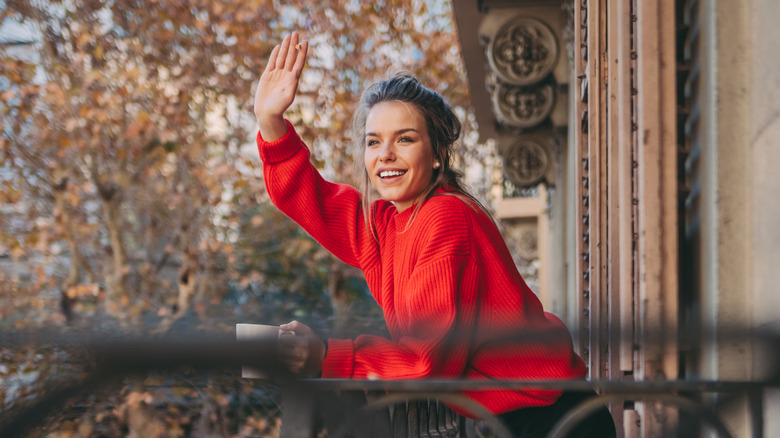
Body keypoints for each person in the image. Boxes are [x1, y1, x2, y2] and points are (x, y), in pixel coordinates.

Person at [253, 32, 616, 438]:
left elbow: (426, 362)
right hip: (509, 420)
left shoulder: (446, 218)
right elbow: (313, 201)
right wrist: (271, 121)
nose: (385, 154)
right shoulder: (388, 225)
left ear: (437, 153)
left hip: (552, 422)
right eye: (374, 142)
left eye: (404, 139)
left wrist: (324, 356)